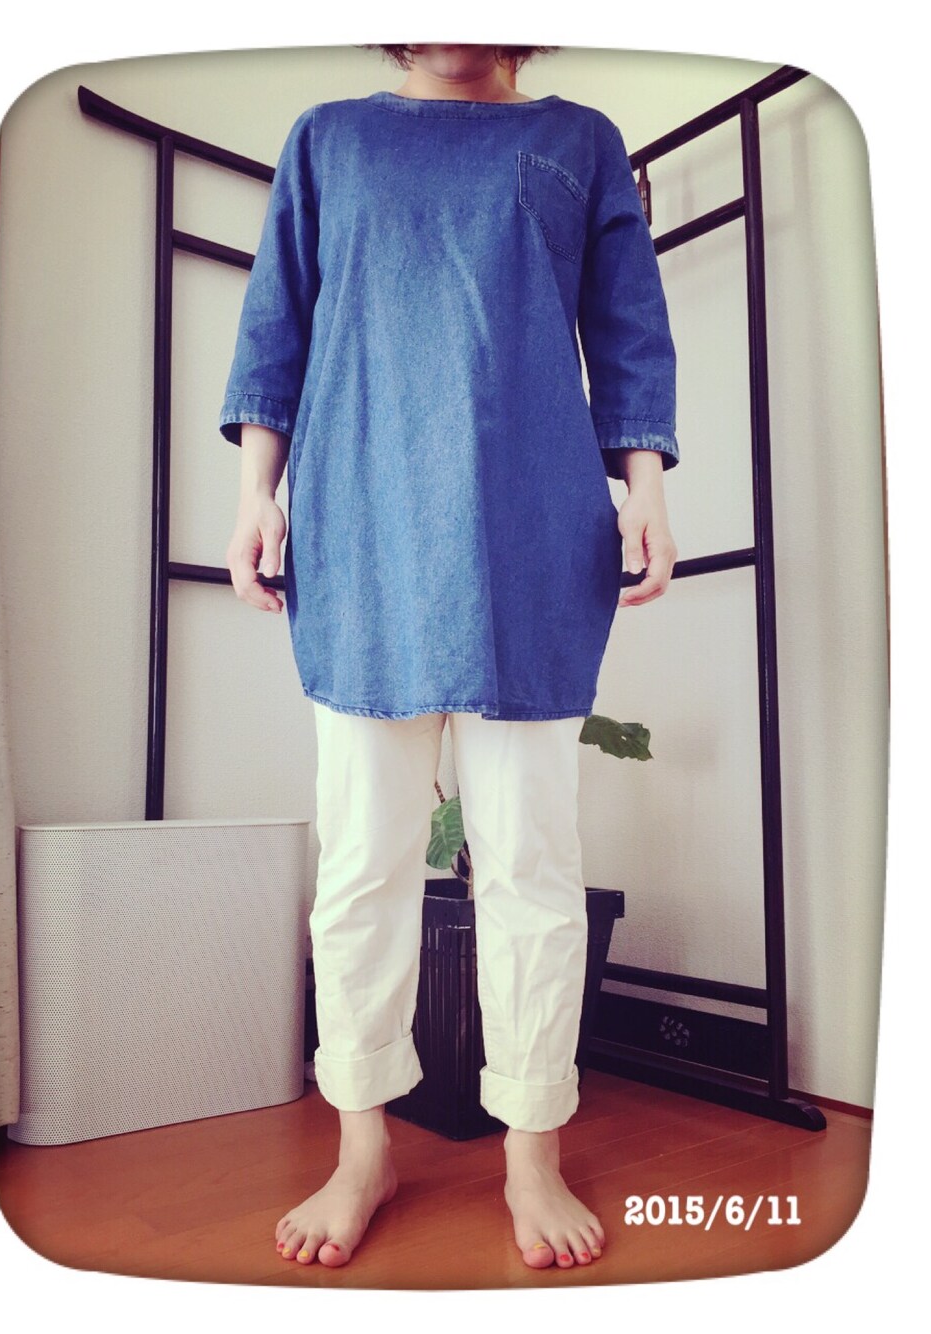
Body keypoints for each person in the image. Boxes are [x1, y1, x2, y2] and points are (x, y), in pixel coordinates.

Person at [220, 42, 680, 1272]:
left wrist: (642, 487)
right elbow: (278, 321)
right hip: (362, 524)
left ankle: (531, 1147)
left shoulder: (579, 142)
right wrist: (258, 494)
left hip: (529, 536)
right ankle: (361, 1144)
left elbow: (627, 326)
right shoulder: (329, 139)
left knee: (530, 861)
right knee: (363, 862)